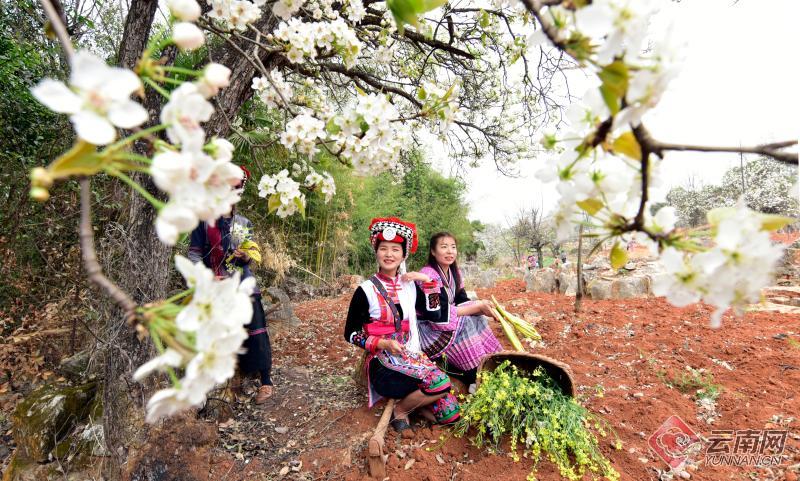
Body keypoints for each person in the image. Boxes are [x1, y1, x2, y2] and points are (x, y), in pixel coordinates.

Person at [344, 218, 460, 431]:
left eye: (395, 250)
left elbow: (433, 313)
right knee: (440, 383)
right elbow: (350, 334)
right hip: (383, 365)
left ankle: (415, 402)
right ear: (376, 252)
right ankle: (401, 410)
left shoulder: (410, 286)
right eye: (384, 249)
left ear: (403, 255)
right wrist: (382, 344)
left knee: (450, 414)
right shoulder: (365, 290)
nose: (389, 255)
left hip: (412, 356)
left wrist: (428, 281)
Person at [187, 166, 274, 404]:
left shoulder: (244, 223)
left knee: (256, 329)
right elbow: (194, 254)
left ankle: (265, 381)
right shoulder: (203, 222)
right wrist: (206, 276)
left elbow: (252, 254)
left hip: (243, 283)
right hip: (215, 286)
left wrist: (245, 256)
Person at [415, 232, 502, 386]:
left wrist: (481, 308)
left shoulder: (455, 272)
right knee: (466, 321)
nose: (450, 251)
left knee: (476, 315)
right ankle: (475, 374)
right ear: (433, 252)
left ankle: (493, 360)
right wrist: (477, 306)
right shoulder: (428, 276)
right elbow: (437, 316)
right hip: (429, 329)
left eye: (453, 247)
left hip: (446, 321)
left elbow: (462, 300)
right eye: (444, 247)